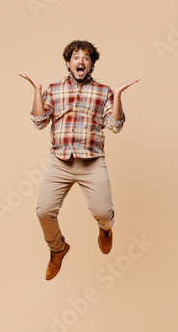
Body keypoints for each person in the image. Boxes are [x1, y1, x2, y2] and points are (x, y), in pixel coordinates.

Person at [18, 40, 139, 280]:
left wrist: (118, 96)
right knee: (44, 212)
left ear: (92, 63)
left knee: (104, 213)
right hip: (60, 161)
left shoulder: (104, 91)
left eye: (86, 57)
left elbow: (115, 126)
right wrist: (36, 91)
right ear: (68, 63)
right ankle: (58, 248)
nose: (80, 61)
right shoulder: (53, 89)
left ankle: (105, 230)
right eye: (75, 57)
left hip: (92, 161)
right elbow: (40, 122)